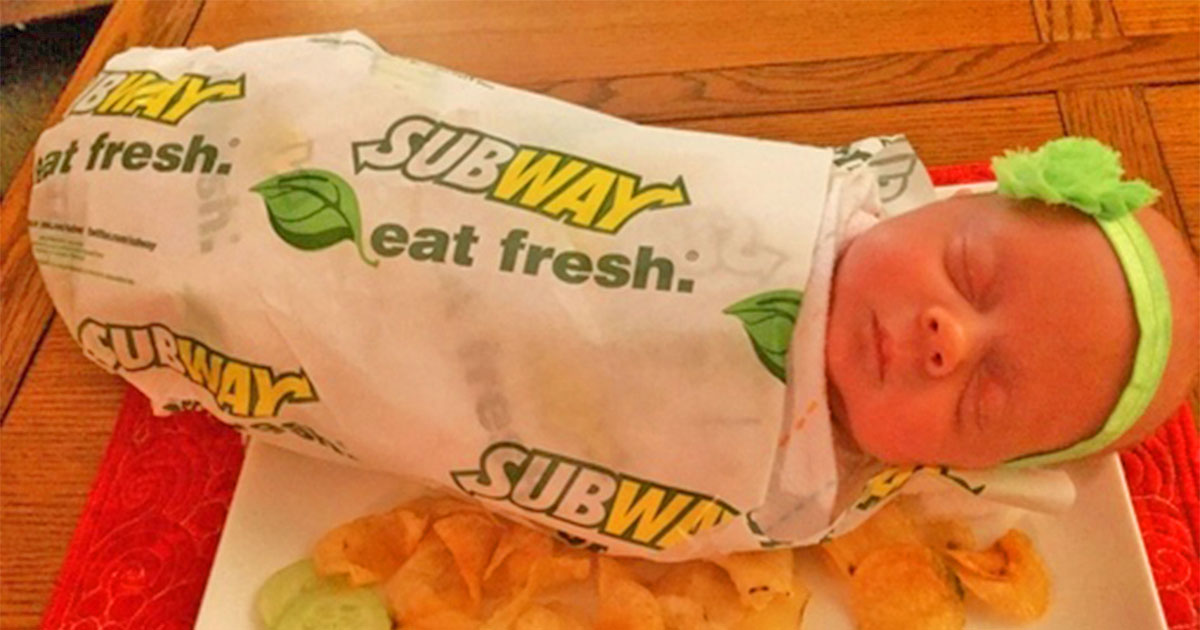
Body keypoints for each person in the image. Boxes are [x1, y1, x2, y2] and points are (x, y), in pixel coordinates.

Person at [827, 138, 1199, 469]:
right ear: (953, 200)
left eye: (979, 401)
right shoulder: (826, 195)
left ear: (971, 466)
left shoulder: (819, 496)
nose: (952, 339)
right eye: (967, 271)